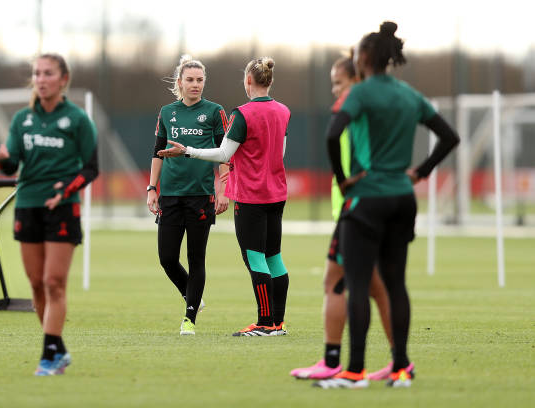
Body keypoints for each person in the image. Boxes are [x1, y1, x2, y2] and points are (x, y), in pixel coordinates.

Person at [315, 22, 459, 389]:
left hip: (368, 197)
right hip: (402, 197)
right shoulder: (410, 95)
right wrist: (421, 172)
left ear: (363, 59)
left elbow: (333, 135)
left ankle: (354, 371)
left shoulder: (360, 94)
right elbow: (449, 137)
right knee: (397, 286)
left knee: (359, 285)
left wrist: (343, 178)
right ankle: (400, 367)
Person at [159, 57, 291, 337]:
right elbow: (279, 154)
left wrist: (188, 151)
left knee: (255, 258)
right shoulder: (283, 111)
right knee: (275, 257)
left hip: (251, 195)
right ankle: (278, 323)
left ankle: (265, 323)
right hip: (276, 192)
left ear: (248, 81)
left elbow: (223, 154)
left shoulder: (242, 114)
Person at [0, 53, 98, 376]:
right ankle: (58, 349)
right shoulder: (22, 119)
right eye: (37, 73)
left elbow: (91, 168)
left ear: (63, 79)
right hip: (28, 205)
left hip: (63, 207)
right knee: (36, 284)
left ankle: (49, 355)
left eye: (48, 73)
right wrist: (2, 160)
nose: (40, 78)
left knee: (54, 282)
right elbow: (12, 164)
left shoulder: (78, 120)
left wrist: (64, 191)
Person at [290, 56, 396, 381]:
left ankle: (335, 362)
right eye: (333, 84)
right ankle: (400, 361)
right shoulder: (372, 110)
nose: (335, 90)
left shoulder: (355, 112)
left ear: (358, 80)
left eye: (339, 82)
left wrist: (349, 186)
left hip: (358, 211)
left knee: (334, 282)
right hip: (366, 209)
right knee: (377, 288)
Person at [147, 55, 230, 336]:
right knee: (167, 258)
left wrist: (223, 190)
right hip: (170, 195)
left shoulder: (215, 111)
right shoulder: (166, 112)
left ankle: (189, 318)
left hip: (201, 196)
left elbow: (225, 154)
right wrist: (151, 189)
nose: (196, 85)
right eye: (190, 80)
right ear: (179, 82)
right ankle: (192, 295)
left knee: (196, 259)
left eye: (200, 80)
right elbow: (157, 153)